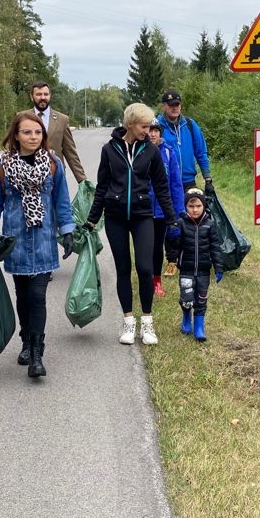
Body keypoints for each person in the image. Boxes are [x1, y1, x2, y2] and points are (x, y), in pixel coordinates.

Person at [0, 111, 76, 378]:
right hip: (17, 241)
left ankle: (37, 354)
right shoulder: (1, 166)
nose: (33, 137)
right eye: (27, 132)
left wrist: (67, 232)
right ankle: (25, 341)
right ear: (16, 135)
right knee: (22, 297)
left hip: (44, 240)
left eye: (37, 132)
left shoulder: (53, 164)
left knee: (37, 296)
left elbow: (62, 202)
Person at [85, 103, 177, 346]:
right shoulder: (109, 150)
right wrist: (93, 218)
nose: (149, 131)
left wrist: (171, 216)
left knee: (145, 268)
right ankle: (128, 322)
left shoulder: (151, 151)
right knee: (123, 268)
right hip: (115, 217)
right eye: (144, 126)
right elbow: (102, 187)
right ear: (130, 125)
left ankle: (147, 322)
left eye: (150, 127)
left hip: (142, 215)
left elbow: (161, 187)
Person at [167, 188, 223, 342]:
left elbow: (215, 247)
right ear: (186, 207)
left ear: (203, 206)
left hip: (204, 270)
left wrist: (218, 267)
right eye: (191, 206)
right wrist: (172, 237)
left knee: (201, 298)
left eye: (198, 206)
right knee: (187, 297)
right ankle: (186, 318)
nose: (195, 209)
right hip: (186, 269)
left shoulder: (210, 225)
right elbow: (173, 246)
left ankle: (199, 327)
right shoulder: (181, 223)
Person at [148, 119, 185, 298]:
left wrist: (177, 213)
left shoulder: (168, 153)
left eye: (156, 130)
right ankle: (145, 278)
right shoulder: (139, 152)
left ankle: (156, 281)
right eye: (149, 130)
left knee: (157, 247)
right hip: (144, 209)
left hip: (162, 210)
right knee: (144, 247)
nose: (153, 134)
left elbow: (176, 185)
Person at [156, 89, 213, 196]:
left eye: (177, 104)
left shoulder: (190, 125)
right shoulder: (157, 127)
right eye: (171, 105)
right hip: (165, 182)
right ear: (163, 106)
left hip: (188, 182)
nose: (175, 107)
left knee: (192, 211)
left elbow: (201, 152)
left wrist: (208, 178)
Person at [29, 81, 87, 184]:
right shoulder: (22, 118)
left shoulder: (62, 120)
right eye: (38, 94)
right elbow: (12, 148)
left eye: (45, 94)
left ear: (50, 96)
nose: (43, 97)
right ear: (32, 96)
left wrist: (82, 180)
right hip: (27, 177)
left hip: (55, 177)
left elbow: (70, 153)